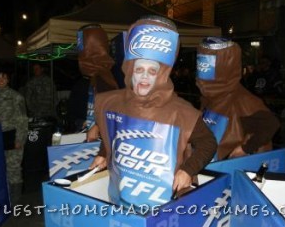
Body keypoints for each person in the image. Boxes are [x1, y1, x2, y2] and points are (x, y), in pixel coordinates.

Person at [90, 15, 217, 207]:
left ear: (161, 75)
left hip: (165, 205)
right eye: (139, 69)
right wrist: (103, 153)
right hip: (121, 198)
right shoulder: (113, 102)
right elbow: (112, 134)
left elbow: (208, 143)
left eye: (152, 71)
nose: (144, 77)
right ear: (130, 70)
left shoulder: (182, 112)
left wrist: (188, 170)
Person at [195, 37, 280, 160]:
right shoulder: (210, 98)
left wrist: (246, 148)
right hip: (211, 161)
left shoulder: (241, 99)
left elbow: (272, 123)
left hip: (231, 165)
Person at [0, 68, 28, 204]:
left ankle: (16, 199)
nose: (1, 80)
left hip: (12, 136)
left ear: (8, 79)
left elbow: (22, 120)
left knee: (14, 168)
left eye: (4, 77)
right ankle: (3, 196)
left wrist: (19, 139)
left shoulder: (16, 96)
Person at [74, 23, 119, 141]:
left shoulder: (103, 76)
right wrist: (89, 122)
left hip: (103, 142)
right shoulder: (95, 75)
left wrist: (98, 126)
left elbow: (113, 110)